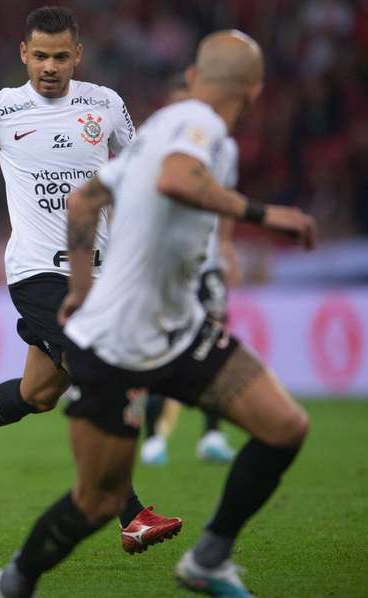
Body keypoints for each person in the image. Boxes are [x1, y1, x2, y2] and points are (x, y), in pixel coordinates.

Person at [0, 30, 315, 598]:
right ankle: (14, 582)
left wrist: (81, 288)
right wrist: (267, 214)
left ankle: (208, 559)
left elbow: (85, 198)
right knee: (99, 500)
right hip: (118, 344)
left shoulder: (164, 126)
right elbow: (176, 179)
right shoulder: (200, 129)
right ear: (255, 91)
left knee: (285, 426)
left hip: (178, 332)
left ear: (192, 77)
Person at [0, 5, 181, 554]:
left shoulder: (106, 105)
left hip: (100, 274)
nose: (49, 66)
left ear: (77, 56)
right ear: (23, 53)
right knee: (98, 378)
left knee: (39, 392)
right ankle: (131, 515)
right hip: (37, 272)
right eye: (40, 55)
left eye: (60, 56)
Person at [140, 73, 240, 467]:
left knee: (214, 347)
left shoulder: (224, 147)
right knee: (161, 351)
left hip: (208, 263)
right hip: (167, 267)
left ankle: (212, 434)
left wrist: (227, 243)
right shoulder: (155, 145)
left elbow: (226, 198)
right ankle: (153, 439)